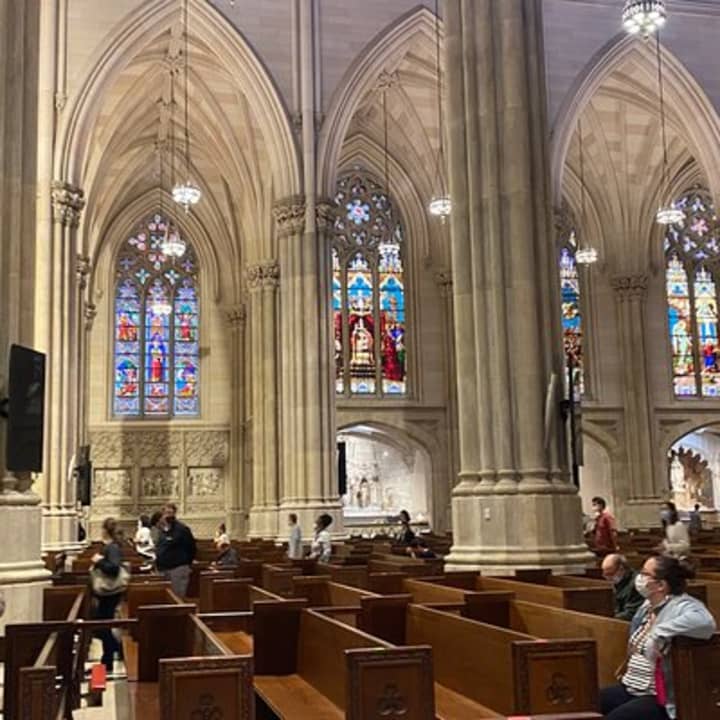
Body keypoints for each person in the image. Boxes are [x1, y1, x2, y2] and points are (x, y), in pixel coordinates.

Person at [600, 554, 716, 719]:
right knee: (585, 703)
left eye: (645, 573)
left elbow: (706, 623)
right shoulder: (647, 605)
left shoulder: (682, 605)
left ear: (661, 585)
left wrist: (658, 632)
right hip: (631, 686)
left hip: (656, 695)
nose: (639, 578)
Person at [90, 517, 127, 673]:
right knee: (103, 626)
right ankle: (108, 661)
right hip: (107, 593)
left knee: (102, 627)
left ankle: (117, 651)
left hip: (109, 592)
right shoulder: (110, 546)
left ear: (106, 530)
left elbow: (113, 569)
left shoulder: (112, 548)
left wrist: (98, 561)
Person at [155, 503, 197, 598]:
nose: (168, 516)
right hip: (163, 569)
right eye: (166, 513)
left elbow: (192, 548)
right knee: (165, 598)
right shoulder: (162, 530)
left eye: (170, 513)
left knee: (177, 597)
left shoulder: (182, 529)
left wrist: (186, 563)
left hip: (177, 568)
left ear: (174, 514)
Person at [601, 553, 644, 621]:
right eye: (605, 574)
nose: (608, 578)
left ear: (621, 569)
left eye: (610, 574)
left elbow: (631, 613)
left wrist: (608, 619)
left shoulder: (636, 583)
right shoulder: (619, 581)